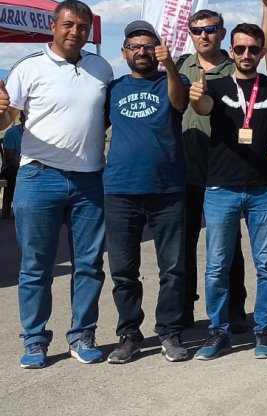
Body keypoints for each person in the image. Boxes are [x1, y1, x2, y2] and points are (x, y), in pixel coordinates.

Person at [1, 0, 114, 369]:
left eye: (82, 27)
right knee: (36, 266)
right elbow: (6, 121)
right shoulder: (29, 67)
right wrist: (1, 110)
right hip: (39, 177)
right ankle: (35, 340)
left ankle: (83, 335)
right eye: (68, 25)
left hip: (89, 180)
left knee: (89, 265)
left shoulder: (101, 67)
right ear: (53, 26)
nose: (75, 32)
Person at [189, 23, 267, 361]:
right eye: (241, 49)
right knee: (217, 265)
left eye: (254, 49)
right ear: (231, 52)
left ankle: (265, 328)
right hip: (221, 187)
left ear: (262, 53)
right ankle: (219, 330)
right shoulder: (215, 87)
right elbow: (203, 109)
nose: (247, 55)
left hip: (264, 187)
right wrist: (199, 99)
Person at [102, 20, 190, 364]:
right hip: (120, 190)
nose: (141, 51)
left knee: (173, 268)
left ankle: (169, 332)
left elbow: (180, 103)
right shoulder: (114, 88)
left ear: (158, 49)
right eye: (134, 46)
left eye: (147, 46)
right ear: (124, 52)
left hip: (167, 189)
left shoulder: (174, 80)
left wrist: (169, 65)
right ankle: (129, 334)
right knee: (123, 270)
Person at [176, 8, 246, 328]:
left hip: (224, 171)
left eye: (210, 29)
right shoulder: (179, 68)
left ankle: (234, 307)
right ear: (190, 33)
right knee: (184, 244)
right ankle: (185, 307)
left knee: (228, 246)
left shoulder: (236, 70)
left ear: (222, 32)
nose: (203, 35)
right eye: (197, 30)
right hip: (186, 170)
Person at [2, 112, 22, 219]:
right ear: (21, 118)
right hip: (13, 168)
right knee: (12, 174)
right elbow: (10, 159)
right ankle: (6, 213)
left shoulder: (39, 133)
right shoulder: (12, 133)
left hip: (31, 167)